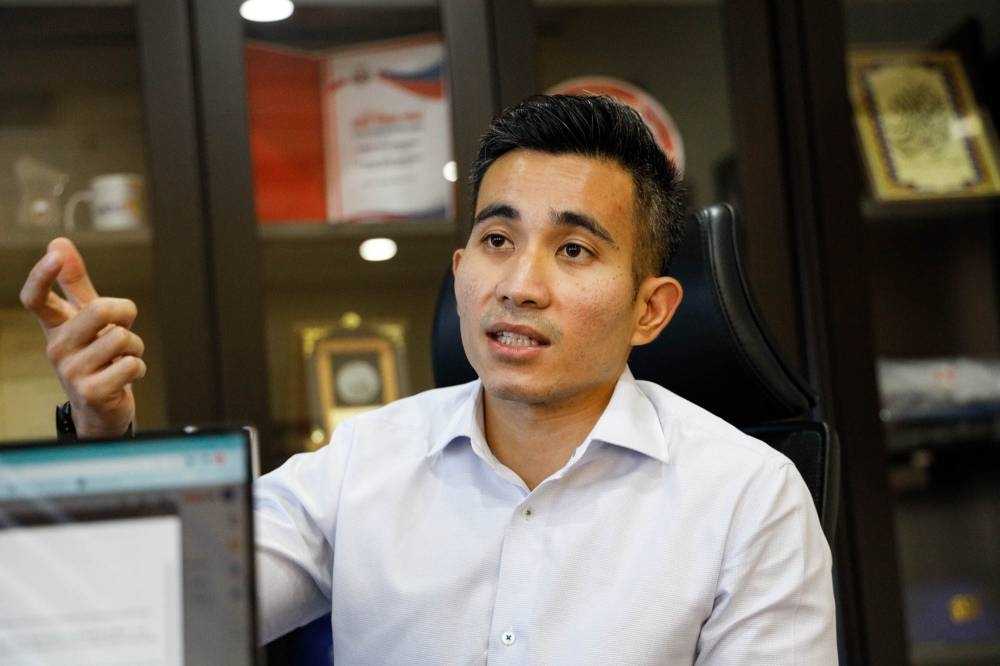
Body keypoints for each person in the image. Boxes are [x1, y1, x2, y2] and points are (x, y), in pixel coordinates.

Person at [21, 94, 837, 664]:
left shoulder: (747, 497)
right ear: (459, 272)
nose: (519, 283)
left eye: (575, 249)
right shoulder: (365, 460)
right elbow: (161, 609)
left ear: (652, 310)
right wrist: (102, 433)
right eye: (495, 240)